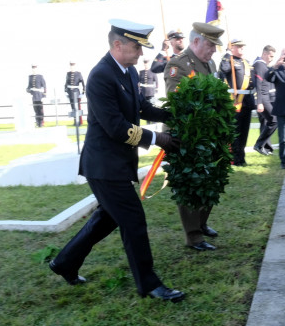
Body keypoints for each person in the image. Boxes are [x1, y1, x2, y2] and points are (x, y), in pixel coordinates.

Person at [49, 19, 185, 302]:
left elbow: (142, 107)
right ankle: (148, 283)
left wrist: (175, 115)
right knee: (133, 220)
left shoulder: (129, 71)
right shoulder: (101, 76)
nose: (140, 53)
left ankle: (64, 263)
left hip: (118, 163)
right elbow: (115, 127)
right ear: (117, 44)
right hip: (104, 165)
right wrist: (159, 139)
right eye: (137, 46)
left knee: (107, 218)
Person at [164, 22, 224, 251]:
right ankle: (193, 236)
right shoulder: (178, 64)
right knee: (190, 185)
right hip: (185, 134)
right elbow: (177, 100)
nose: (213, 50)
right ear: (196, 41)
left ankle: (201, 223)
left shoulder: (209, 62)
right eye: (210, 45)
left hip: (207, 132)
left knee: (211, 180)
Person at [218, 38, 255, 167]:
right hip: (235, 102)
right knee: (236, 132)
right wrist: (227, 54)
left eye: (243, 46)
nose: (241, 49)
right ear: (232, 47)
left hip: (247, 102)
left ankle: (242, 158)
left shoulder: (247, 63)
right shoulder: (229, 60)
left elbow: (252, 82)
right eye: (238, 47)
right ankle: (235, 159)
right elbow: (223, 70)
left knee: (244, 132)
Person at [252, 45, 277, 156]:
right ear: (265, 53)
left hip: (265, 97)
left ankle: (263, 146)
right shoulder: (259, 64)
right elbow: (258, 84)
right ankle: (259, 144)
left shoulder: (262, 65)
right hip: (263, 97)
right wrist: (259, 102)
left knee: (270, 121)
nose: (271, 58)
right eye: (270, 56)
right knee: (274, 120)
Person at [64, 62, 85, 126]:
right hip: (70, 93)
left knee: (77, 108)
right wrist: (65, 91)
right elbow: (66, 83)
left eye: (72, 66)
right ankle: (75, 121)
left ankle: (79, 122)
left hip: (76, 93)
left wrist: (83, 92)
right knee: (73, 108)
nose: (71, 67)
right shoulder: (68, 74)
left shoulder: (78, 74)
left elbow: (83, 83)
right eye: (70, 66)